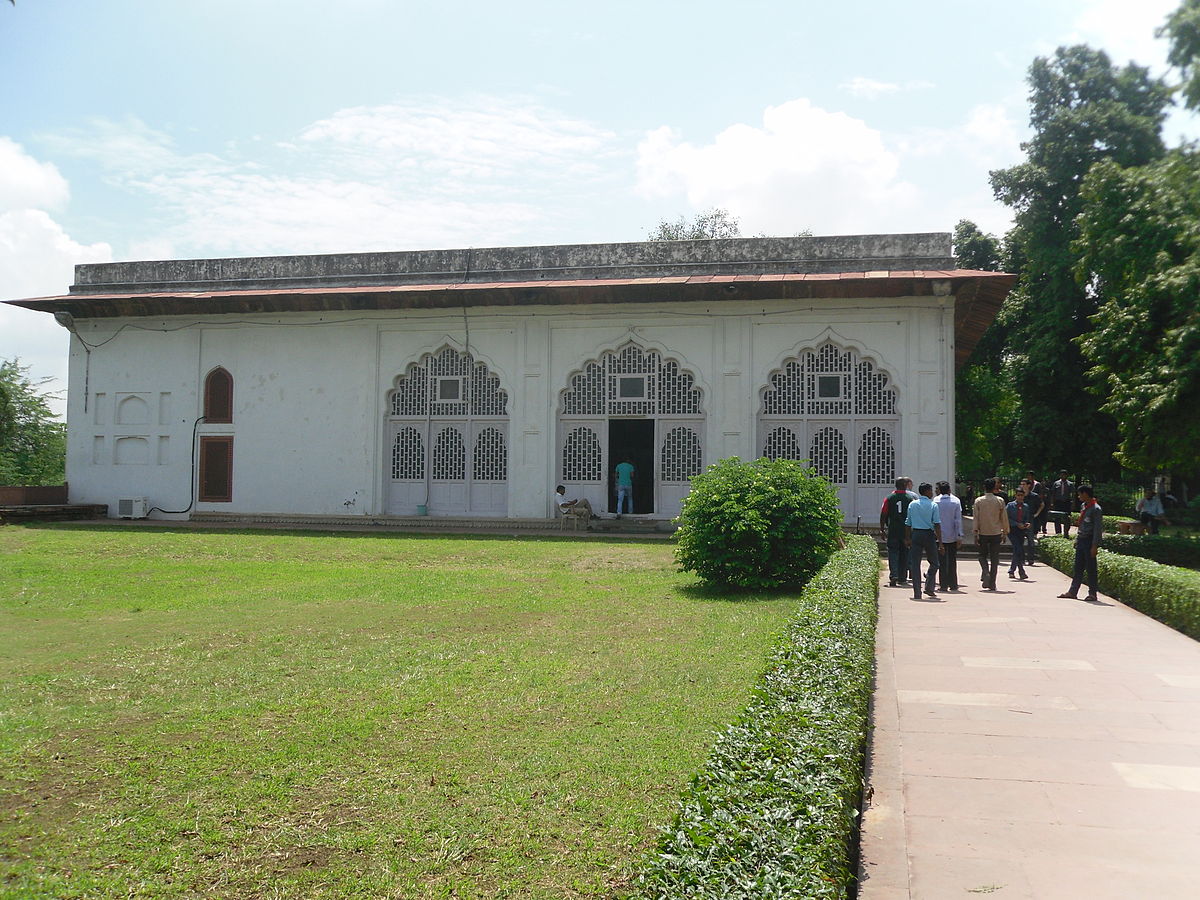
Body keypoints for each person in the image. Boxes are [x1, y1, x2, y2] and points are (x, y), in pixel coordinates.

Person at [1058, 484, 1103, 601]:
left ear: (1085, 494)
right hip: (1082, 539)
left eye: (1080, 494)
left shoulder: (1096, 509)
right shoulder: (1084, 506)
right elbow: (1082, 525)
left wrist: (1094, 546)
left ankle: (1092, 593)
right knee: (1078, 567)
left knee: (1091, 568)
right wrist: (1077, 539)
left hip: (1089, 540)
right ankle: (1073, 591)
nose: (1078, 497)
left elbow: (1097, 529)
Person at [904, 482, 942, 599]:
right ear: (926, 491)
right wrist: (940, 542)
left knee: (915, 564)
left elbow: (908, 523)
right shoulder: (933, 505)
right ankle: (929, 586)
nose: (932, 493)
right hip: (928, 535)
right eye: (930, 491)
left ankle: (917, 592)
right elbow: (937, 524)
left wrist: (907, 538)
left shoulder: (912, 504)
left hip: (916, 534)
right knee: (935, 562)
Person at [973, 477, 1008, 591]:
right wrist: (1005, 532)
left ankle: (985, 571)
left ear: (984, 487)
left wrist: (975, 532)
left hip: (983, 532)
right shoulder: (1000, 500)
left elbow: (976, 518)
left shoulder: (979, 501)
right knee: (995, 559)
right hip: (996, 532)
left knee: (982, 556)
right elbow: (1004, 518)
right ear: (994, 487)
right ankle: (992, 583)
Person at [880, 477, 916, 587]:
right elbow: (913, 515)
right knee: (904, 553)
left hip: (893, 530)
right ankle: (902, 577)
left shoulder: (889, 498)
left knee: (893, 552)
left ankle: (894, 575)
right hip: (906, 531)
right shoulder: (910, 498)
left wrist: (882, 529)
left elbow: (883, 514)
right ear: (905, 485)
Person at [935, 480, 963, 591]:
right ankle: (953, 584)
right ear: (949, 489)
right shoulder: (956, 501)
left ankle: (943, 585)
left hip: (940, 536)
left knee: (942, 561)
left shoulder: (936, 501)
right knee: (952, 560)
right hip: (952, 535)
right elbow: (958, 520)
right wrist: (959, 536)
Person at [1006, 487, 1033, 580]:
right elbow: (1006, 518)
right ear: (1015, 496)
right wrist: (1016, 524)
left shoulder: (1026, 506)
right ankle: (1020, 571)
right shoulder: (1010, 506)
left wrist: (1026, 524)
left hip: (1021, 531)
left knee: (1017, 550)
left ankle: (1012, 570)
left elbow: (1027, 518)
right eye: (1018, 495)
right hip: (1012, 530)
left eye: (1022, 495)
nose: (1020, 497)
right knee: (1017, 548)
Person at [1019, 478, 1044, 564]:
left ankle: (1030, 558)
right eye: (1021, 484)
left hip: (1030, 519)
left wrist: (1037, 514)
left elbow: (1042, 504)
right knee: (1020, 540)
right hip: (1020, 519)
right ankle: (1021, 559)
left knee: (1030, 540)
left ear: (1029, 485)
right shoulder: (1019, 495)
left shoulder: (1034, 496)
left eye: (1024, 484)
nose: (1022, 486)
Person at [1050, 470, 1075, 536]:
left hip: (1066, 502)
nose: (1063, 476)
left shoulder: (1070, 484)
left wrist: (1073, 503)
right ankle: (1058, 533)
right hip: (1058, 502)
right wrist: (1052, 503)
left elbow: (1073, 494)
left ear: (1067, 476)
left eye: (1064, 475)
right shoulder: (1056, 483)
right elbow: (1053, 493)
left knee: (1067, 518)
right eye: (1061, 475)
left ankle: (1066, 532)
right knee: (1057, 518)